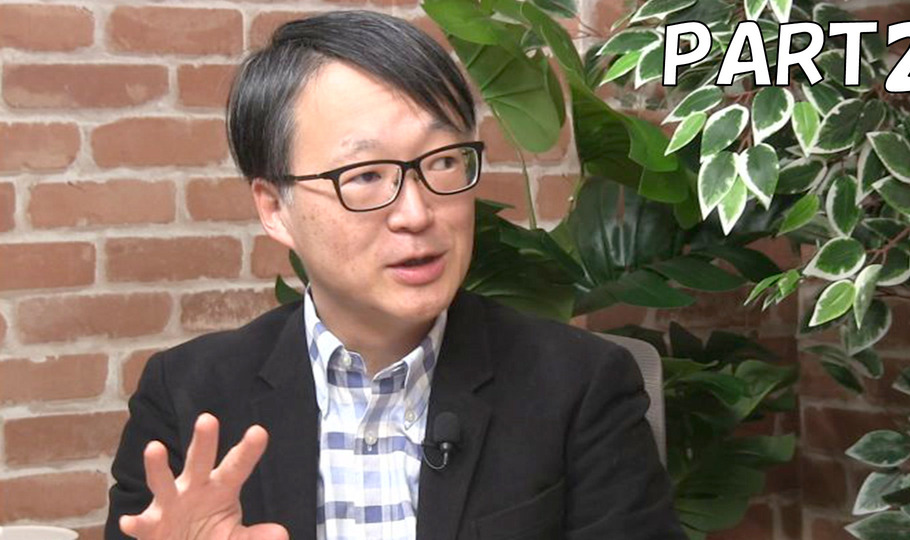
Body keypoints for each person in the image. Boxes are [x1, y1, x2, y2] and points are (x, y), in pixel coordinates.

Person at [106, 10, 684, 540]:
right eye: (365, 175)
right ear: (275, 207)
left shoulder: (579, 385)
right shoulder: (187, 398)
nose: (416, 213)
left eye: (443, 161)